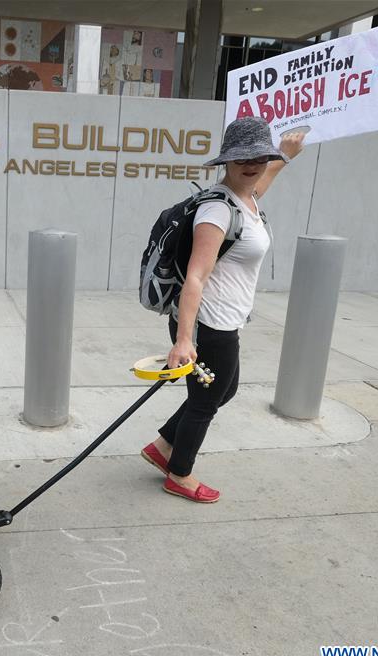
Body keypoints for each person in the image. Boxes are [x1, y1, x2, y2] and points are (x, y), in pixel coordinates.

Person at [141, 116, 305, 503]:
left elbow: (259, 185)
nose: (252, 165)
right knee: (206, 402)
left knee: (223, 390)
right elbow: (195, 278)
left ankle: (163, 445)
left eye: (260, 157)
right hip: (206, 324)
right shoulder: (216, 212)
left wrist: (285, 155)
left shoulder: (244, 198)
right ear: (226, 162)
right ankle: (179, 473)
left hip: (225, 319)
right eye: (242, 159)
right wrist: (183, 340)